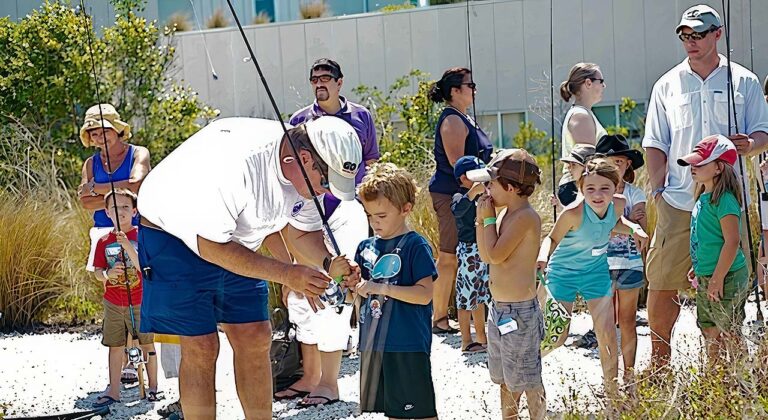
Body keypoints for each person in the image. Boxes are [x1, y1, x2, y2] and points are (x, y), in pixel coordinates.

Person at [136, 116, 362, 419]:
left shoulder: (306, 176)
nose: (325, 192)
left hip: (234, 239)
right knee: (202, 344)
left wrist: (327, 262)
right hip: (173, 234)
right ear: (305, 159)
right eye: (325, 183)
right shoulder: (237, 167)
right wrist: (286, 273)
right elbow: (212, 247)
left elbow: (301, 231)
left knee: (256, 335)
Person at [642, 4, 768, 368]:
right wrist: (658, 190)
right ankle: (660, 368)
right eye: (685, 35)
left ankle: (724, 374)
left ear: (718, 33)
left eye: (698, 34)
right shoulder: (666, 84)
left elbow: (763, 132)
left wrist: (751, 144)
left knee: (726, 291)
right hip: (679, 202)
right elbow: (655, 143)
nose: (691, 42)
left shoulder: (744, 81)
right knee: (662, 285)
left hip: (727, 201)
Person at [276, 58, 378, 406]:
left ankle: (330, 384)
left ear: (339, 82)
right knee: (300, 297)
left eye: (326, 78)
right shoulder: (299, 121)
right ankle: (310, 377)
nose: (320, 83)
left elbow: (372, 165)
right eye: (314, 78)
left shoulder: (362, 116)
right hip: (307, 210)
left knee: (333, 293)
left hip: (346, 208)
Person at [537, 158, 649, 396]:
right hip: (562, 274)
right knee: (557, 335)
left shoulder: (618, 204)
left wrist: (634, 228)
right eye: (590, 189)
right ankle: (527, 367)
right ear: (581, 189)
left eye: (604, 188)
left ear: (616, 187)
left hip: (596, 272)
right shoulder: (573, 213)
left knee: (607, 333)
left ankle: (612, 391)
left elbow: (616, 222)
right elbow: (552, 238)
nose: (597, 195)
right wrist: (542, 257)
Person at [355, 163, 438, 420]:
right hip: (375, 345)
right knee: (394, 412)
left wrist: (381, 288)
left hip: (408, 344)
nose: (374, 223)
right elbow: (356, 296)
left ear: (405, 209)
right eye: (370, 216)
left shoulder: (415, 245)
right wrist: (350, 285)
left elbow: (424, 294)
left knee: (421, 412)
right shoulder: (365, 247)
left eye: (381, 216)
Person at [467, 149, 546, 419]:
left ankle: (537, 415)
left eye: (491, 184)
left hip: (520, 312)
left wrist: (485, 217)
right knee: (504, 379)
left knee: (526, 379)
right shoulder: (504, 214)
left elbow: (496, 254)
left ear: (510, 188)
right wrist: (484, 217)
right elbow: (486, 254)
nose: (486, 190)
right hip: (500, 309)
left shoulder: (525, 217)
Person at [428, 67, 493, 334]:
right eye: (470, 85)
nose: (474, 89)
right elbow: (459, 167)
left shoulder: (464, 118)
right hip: (452, 195)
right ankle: (439, 317)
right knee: (448, 255)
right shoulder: (452, 120)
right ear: (455, 91)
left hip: (471, 195)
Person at [679, 135, 749, 362]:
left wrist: (718, 278)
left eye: (700, 163)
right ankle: (716, 378)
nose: (693, 168)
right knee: (708, 328)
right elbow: (706, 238)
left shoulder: (725, 200)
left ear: (719, 167)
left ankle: (741, 379)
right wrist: (696, 265)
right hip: (708, 274)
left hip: (727, 276)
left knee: (729, 330)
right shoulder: (702, 198)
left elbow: (732, 241)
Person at [91, 189, 159, 408]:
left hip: (141, 300)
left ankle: (153, 387)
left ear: (135, 211)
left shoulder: (143, 236)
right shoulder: (103, 241)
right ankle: (113, 390)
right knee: (115, 345)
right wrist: (107, 275)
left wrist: (128, 246)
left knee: (146, 343)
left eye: (125, 207)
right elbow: (97, 271)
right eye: (114, 207)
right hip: (113, 301)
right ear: (106, 212)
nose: (119, 212)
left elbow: (145, 267)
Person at [595, 134, 647, 380]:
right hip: (599, 265)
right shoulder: (593, 193)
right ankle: (610, 377)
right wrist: (629, 223)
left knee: (627, 321)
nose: (616, 165)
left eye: (620, 161)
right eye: (610, 161)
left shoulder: (636, 193)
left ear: (628, 164)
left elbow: (643, 225)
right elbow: (605, 222)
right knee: (605, 324)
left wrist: (628, 222)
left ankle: (629, 374)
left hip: (629, 263)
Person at [77, 103, 150, 273]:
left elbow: (135, 184)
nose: (99, 137)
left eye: (104, 131)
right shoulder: (90, 163)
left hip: (137, 228)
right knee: (112, 281)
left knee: (142, 279)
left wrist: (94, 187)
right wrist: (126, 201)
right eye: (94, 134)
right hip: (104, 231)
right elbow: (86, 203)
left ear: (117, 130)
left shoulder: (138, 153)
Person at [451, 156, 491, 354]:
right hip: (468, 251)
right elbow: (457, 211)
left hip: (484, 247)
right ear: (463, 178)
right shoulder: (459, 196)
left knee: (481, 295)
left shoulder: (486, 195)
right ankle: (466, 340)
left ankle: (482, 338)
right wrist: (471, 194)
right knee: (466, 297)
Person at [557, 63, 607, 206]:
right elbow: (587, 161)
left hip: (582, 187)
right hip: (578, 187)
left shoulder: (583, 113)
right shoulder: (581, 116)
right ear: (588, 83)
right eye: (601, 81)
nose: (604, 86)